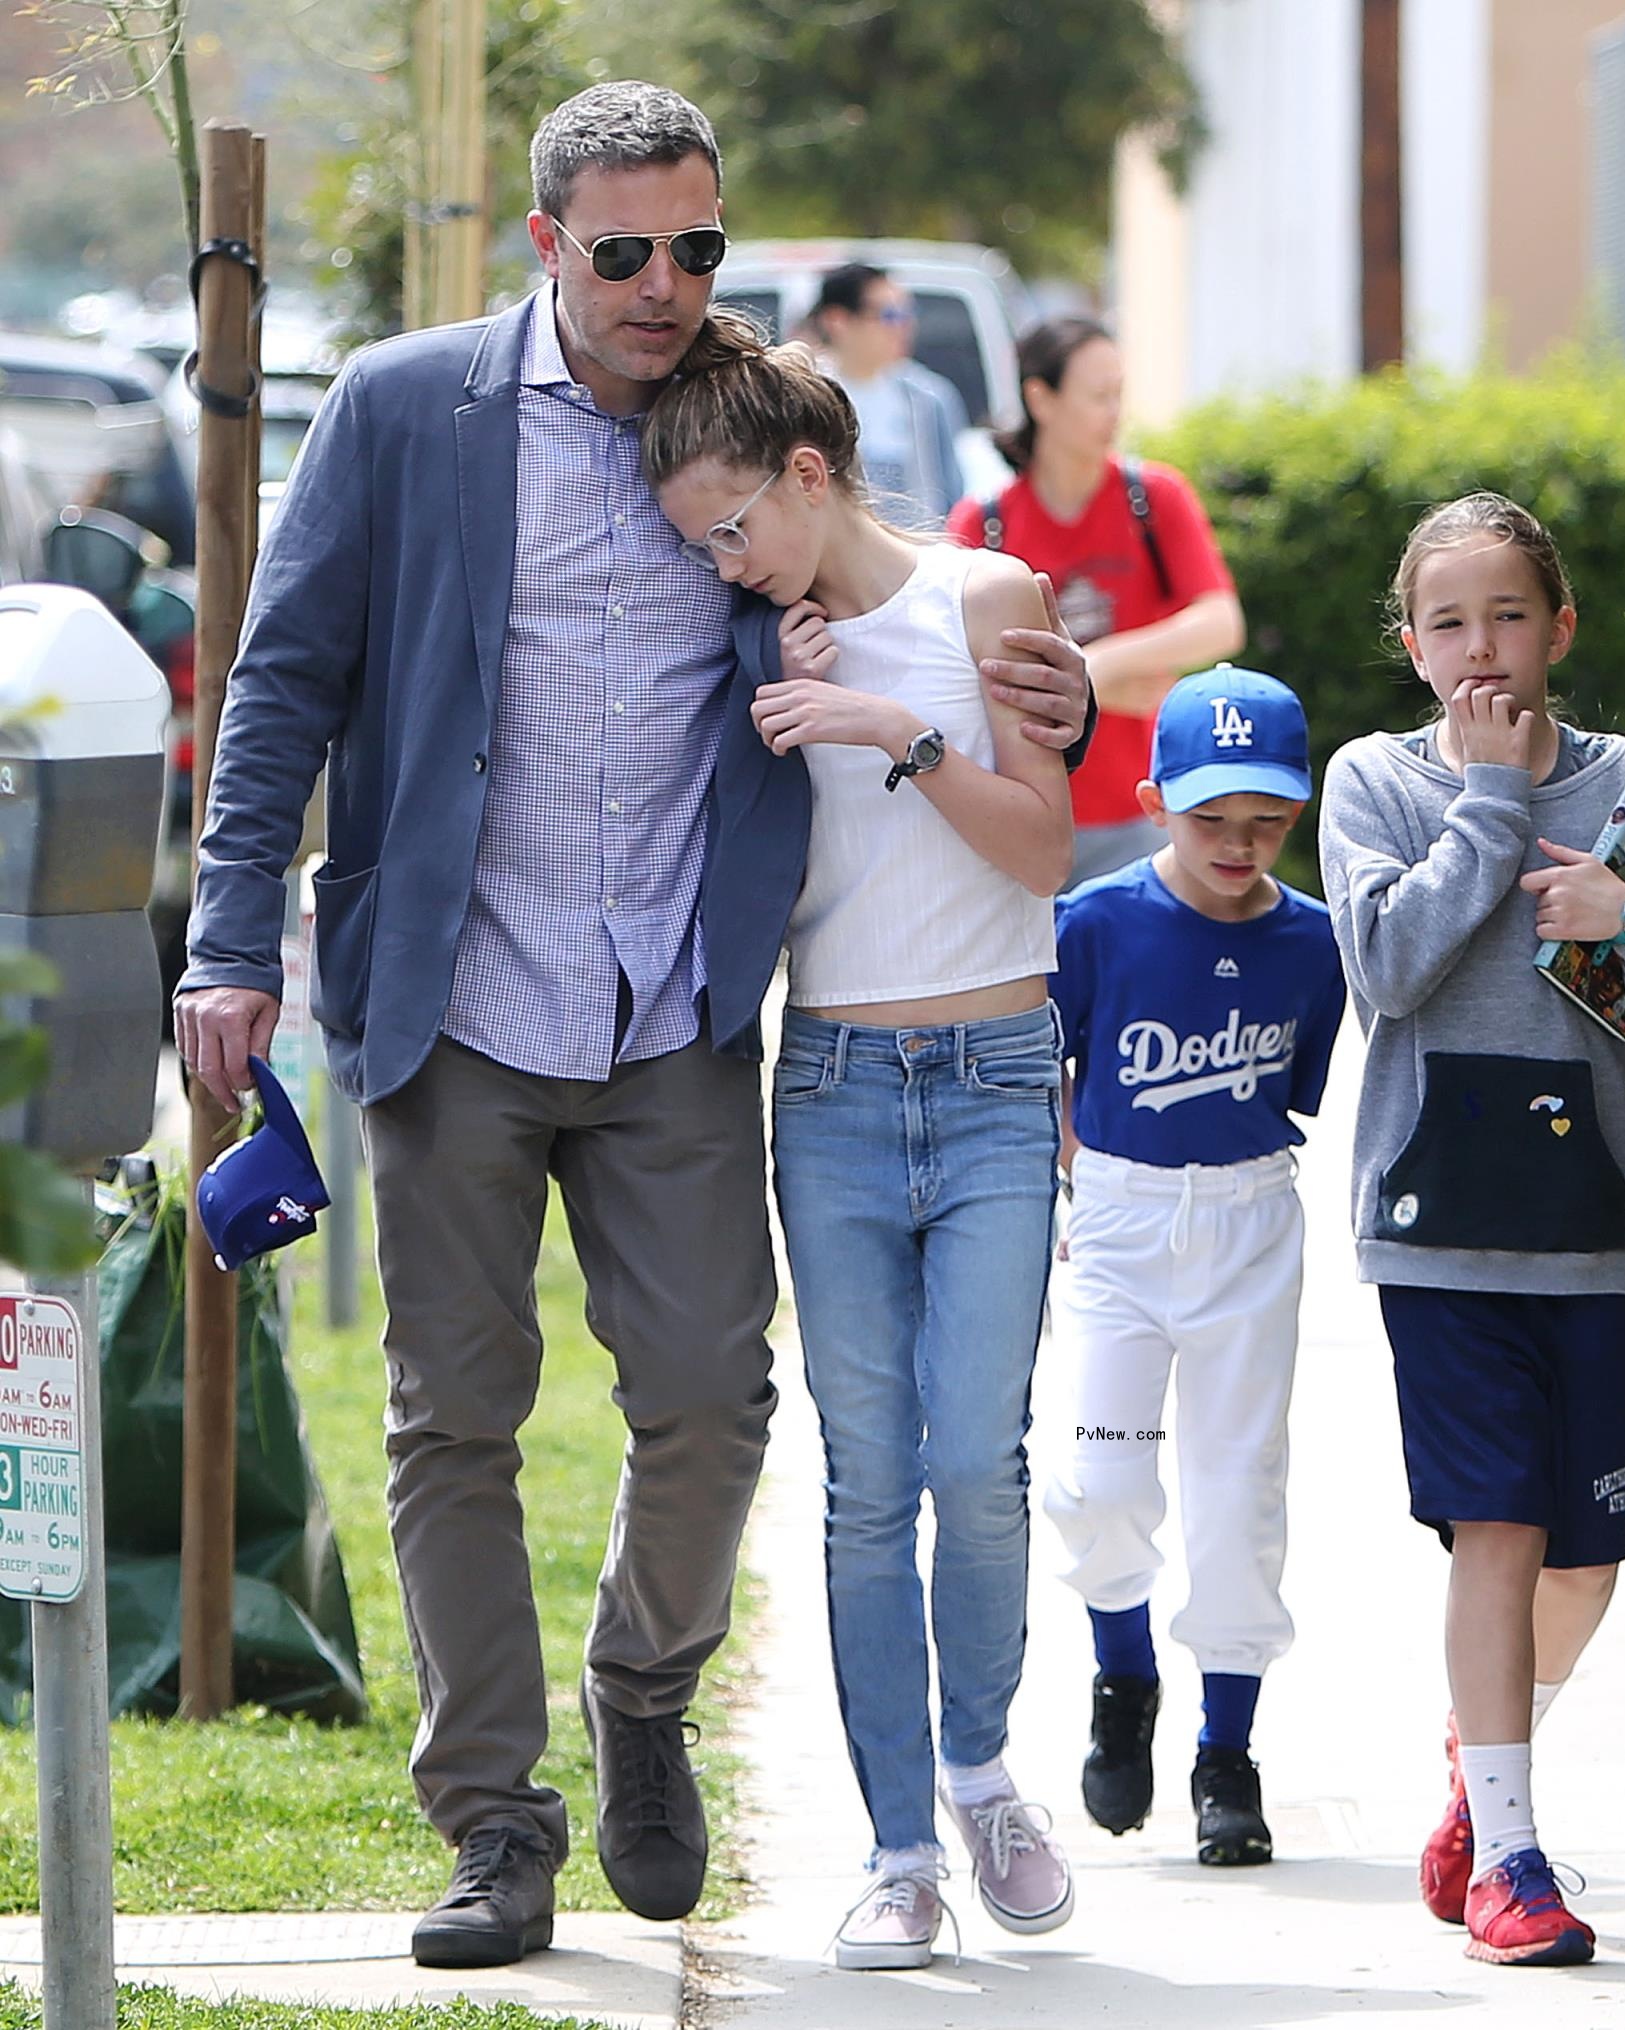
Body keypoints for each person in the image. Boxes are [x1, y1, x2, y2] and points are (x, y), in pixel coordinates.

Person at [171, 79, 1090, 1972]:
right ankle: (496, 1821)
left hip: (673, 1004)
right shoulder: (405, 408)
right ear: (543, 247)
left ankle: (643, 1690)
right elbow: (282, 684)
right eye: (624, 252)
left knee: (708, 1399)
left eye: (698, 247)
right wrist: (226, 938)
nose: (665, 282)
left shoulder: (720, 417)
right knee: (456, 1421)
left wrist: (1034, 664)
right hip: (454, 1002)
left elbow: (866, 550)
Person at [644, 324, 1078, 1975]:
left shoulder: (989, 602)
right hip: (828, 1084)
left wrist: (891, 729)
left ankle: (981, 1776)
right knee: (864, 1481)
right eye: (700, 541)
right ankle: (899, 1852)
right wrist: (779, 672)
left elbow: (1042, 851)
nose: (720, 557)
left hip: (988, 1076)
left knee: (977, 1461)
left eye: (732, 524)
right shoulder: (757, 636)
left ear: (809, 475)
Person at [1316, 492, 1625, 1968]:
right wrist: (1492, 804)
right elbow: (1384, 967)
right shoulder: (1375, 783)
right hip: (1438, 1228)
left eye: (1509, 614)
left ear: (1560, 625)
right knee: (1492, 1526)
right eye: (1448, 622)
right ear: (1411, 643)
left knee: (1584, 1559)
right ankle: (1510, 1852)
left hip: (1587, 1231)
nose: (1481, 647)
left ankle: (1473, 1759)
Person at [1043, 664, 1346, 1868]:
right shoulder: (1097, 917)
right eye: (1211, 816)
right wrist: (1081, 1184)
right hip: (1118, 1216)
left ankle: (1229, 1750)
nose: (1239, 842)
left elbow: (1296, 1095)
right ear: (1154, 791)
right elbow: (1047, 1068)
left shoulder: (1313, 940)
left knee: (1239, 1490)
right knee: (1099, 1479)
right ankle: (1125, 1676)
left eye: (1266, 820)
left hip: (1247, 1221)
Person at [950, 316, 1245, 887]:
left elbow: (1220, 622)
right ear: (1040, 398)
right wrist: (1090, 691)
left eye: (1119, 394)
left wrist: (1097, 667)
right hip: (1025, 813)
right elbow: (955, 669)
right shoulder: (982, 521)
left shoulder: (1154, 498)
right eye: (1097, 396)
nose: (1115, 412)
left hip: (1146, 808)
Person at [810, 262, 968, 529]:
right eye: (890, 316)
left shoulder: (929, 398)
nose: (904, 326)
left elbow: (952, 498)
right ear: (837, 321)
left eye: (908, 314)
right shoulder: (808, 397)